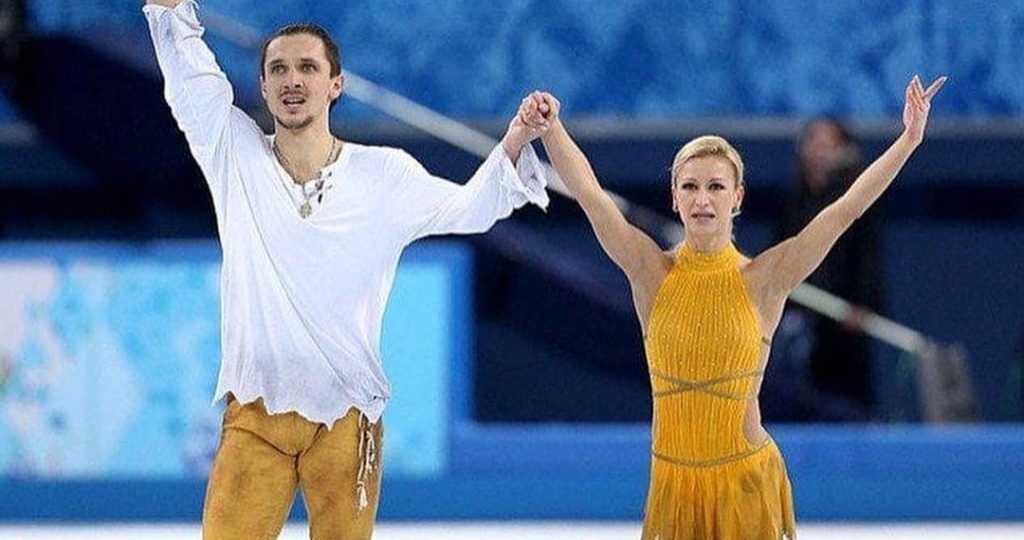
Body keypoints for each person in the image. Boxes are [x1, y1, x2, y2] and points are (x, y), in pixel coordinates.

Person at [142, 1, 550, 539]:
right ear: (261, 87)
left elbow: (472, 208)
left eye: (308, 68)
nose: (293, 80)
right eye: (278, 69)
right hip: (256, 418)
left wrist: (517, 137)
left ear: (336, 84)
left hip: (346, 421)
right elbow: (188, 75)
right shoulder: (232, 153)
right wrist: (170, 9)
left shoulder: (384, 175)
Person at [536, 74, 945, 539]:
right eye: (689, 187)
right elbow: (591, 196)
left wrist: (909, 138)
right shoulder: (650, 271)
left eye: (715, 186)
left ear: (737, 198)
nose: (702, 199)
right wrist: (552, 129)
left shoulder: (764, 280)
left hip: (744, 486)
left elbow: (844, 210)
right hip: (673, 489)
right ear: (674, 197)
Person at [765, 117, 884, 422]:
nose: (819, 151)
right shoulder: (791, 200)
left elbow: (868, 257)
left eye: (827, 144)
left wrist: (864, 304)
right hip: (800, 319)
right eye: (813, 142)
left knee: (846, 400)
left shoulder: (855, 198)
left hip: (844, 321)